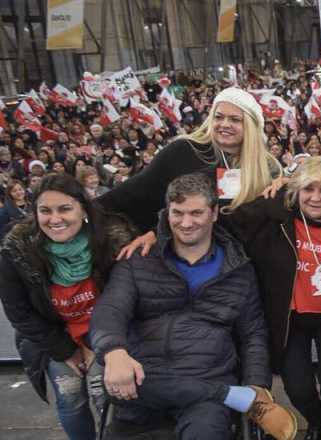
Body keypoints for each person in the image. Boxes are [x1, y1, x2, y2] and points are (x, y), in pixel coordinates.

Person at [89, 174, 297, 440]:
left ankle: (232, 395)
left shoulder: (239, 269)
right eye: (178, 213)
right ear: (167, 212)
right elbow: (110, 309)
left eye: (196, 213)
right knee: (117, 380)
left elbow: (253, 333)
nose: (186, 223)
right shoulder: (139, 259)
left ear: (214, 213)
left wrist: (257, 385)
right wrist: (113, 351)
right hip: (143, 382)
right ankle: (232, 396)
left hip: (206, 385)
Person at [222, 157, 321, 439]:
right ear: (297, 190)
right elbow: (229, 220)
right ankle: (315, 420)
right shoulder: (276, 218)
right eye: (308, 189)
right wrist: (279, 190)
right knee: (298, 389)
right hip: (291, 320)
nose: (315, 198)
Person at [0, 174, 136, 440]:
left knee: (105, 394)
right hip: (54, 337)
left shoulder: (112, 239)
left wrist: (99, 346)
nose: (55, 219)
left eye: (64, 208)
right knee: (70, 393)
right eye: (45, 210)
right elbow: (19, 312)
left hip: (107, 335)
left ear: (82, 208)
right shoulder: (16, 250)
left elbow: (129, 298)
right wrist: (65, 351)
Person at [99, 87, 283, 255]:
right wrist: (84, 210)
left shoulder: (268, 167)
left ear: (251, 126)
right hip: (181, 258)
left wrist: (285, 186)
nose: (224, 124)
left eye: (235, 119)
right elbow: (134, 193)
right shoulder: (183, 150)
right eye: (218, 117)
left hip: (241, 262)